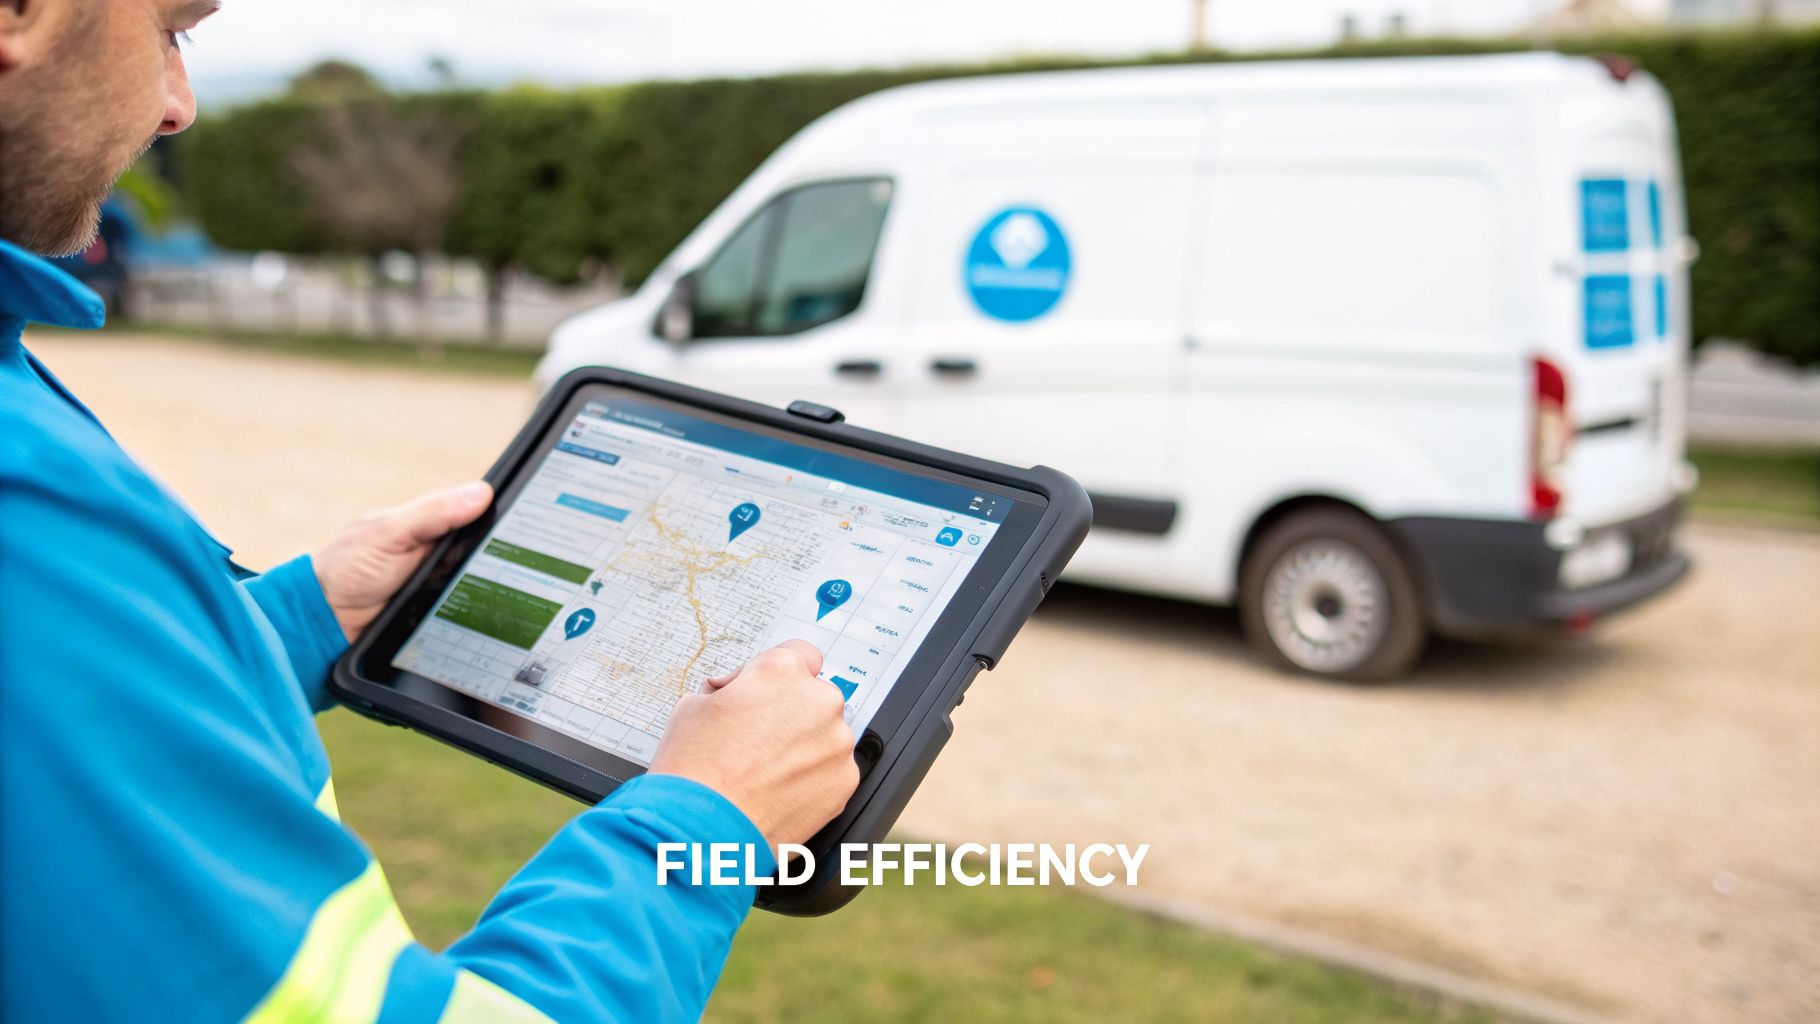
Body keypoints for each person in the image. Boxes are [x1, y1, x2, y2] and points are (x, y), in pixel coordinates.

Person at [0, 2, 860, 1021]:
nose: (178, 105)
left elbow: (57, 709)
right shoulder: (23, 502)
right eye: (169, 29)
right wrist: (705, 817)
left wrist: (305, 620)